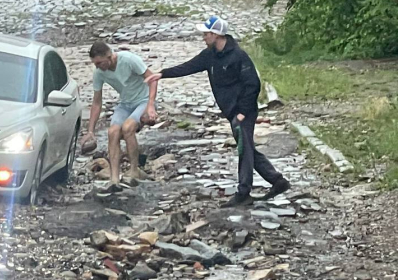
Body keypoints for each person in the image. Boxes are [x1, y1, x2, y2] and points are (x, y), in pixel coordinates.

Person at [145, 15, 290, 207]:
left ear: (216, 35)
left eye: (206, 34)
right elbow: (188, 66)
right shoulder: (209, 55)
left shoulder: (238, 56)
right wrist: (162, 74)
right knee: (247, 150)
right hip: (231, 112)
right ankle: (277, 181)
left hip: (243, 112)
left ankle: (243, 192)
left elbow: (253, 85)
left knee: (243, 150)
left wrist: (242, 113)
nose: (203, 37)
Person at [81, 41, 158, 190]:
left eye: (99, 63)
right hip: (125, 104)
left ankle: (134, 170)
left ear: (109, 56)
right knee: (112, 132)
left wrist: (150, 105)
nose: (97, 67)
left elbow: (152, 78)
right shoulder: (99, 72)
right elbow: (97, 103)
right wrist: (91, 130)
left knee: (128, 128)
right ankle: (114, 179)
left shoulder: (128, 60)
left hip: (142, 100)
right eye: (94, 64)